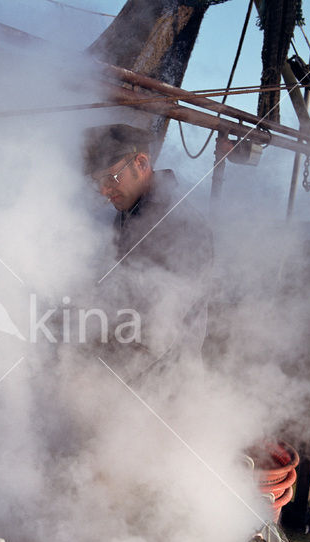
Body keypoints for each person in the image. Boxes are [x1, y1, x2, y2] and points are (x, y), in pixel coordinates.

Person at [83, 123, 213, 381]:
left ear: (141, 163)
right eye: (97, 182)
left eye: (111, 178)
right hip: (129, 363)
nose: (103, 191)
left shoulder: (181, 226)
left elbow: (159, 327)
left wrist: (100, 379)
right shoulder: (128, 213)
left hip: (165, 382)